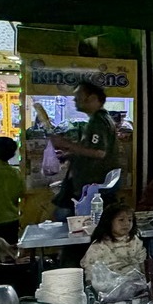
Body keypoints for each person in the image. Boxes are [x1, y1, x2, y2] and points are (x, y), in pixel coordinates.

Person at [50, 82, 119, 219]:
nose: (75, 100)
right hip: (86, 187)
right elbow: (91, 150)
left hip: (93, 189)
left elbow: (99, 152)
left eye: (78, 96)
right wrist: (71, 154)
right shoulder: (97, 120)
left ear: (92, 98)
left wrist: (66, 144)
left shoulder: (99, 121)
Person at [81, 204, 146, 278]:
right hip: (108, 285)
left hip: (136, 282)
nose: (127, 223)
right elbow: (91, 272)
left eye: (130, 220)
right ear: (109, 222)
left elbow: (143, 265)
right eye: (121, 220)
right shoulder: (99, 246)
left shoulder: (135, 241)